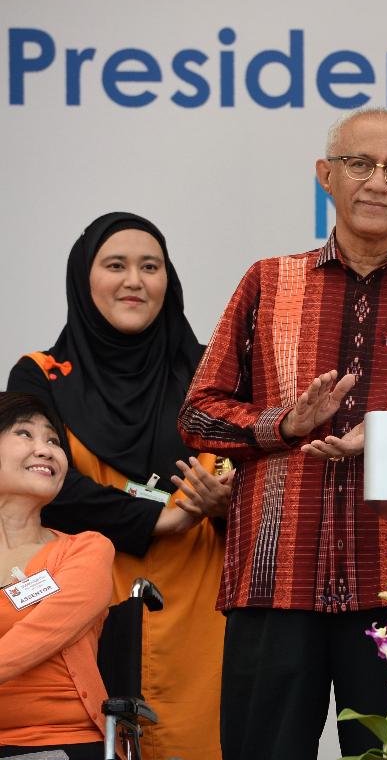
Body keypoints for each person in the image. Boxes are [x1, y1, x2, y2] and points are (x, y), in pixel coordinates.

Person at [178, 108, 387, 759]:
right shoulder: (268, 280)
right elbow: (199, 414)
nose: (377, 182)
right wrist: (281, 425)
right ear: (325, 176)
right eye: (360, 164)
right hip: (274, 574)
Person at [7, 212, 229, 760]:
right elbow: (53, 484)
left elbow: (241, 475)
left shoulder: (210, 374)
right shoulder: (42, 374)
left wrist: (224, 503)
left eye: (150, 266)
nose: (134, 280)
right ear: (85, 279)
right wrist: (166, 516)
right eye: (116, 265)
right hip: (83, 594)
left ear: (168, 281)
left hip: (201, 601)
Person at [0, 392, 115, 759]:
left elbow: (44, 630)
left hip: (60, 741)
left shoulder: (86, 549)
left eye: (53, 440)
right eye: (25, 434)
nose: (46, 450)